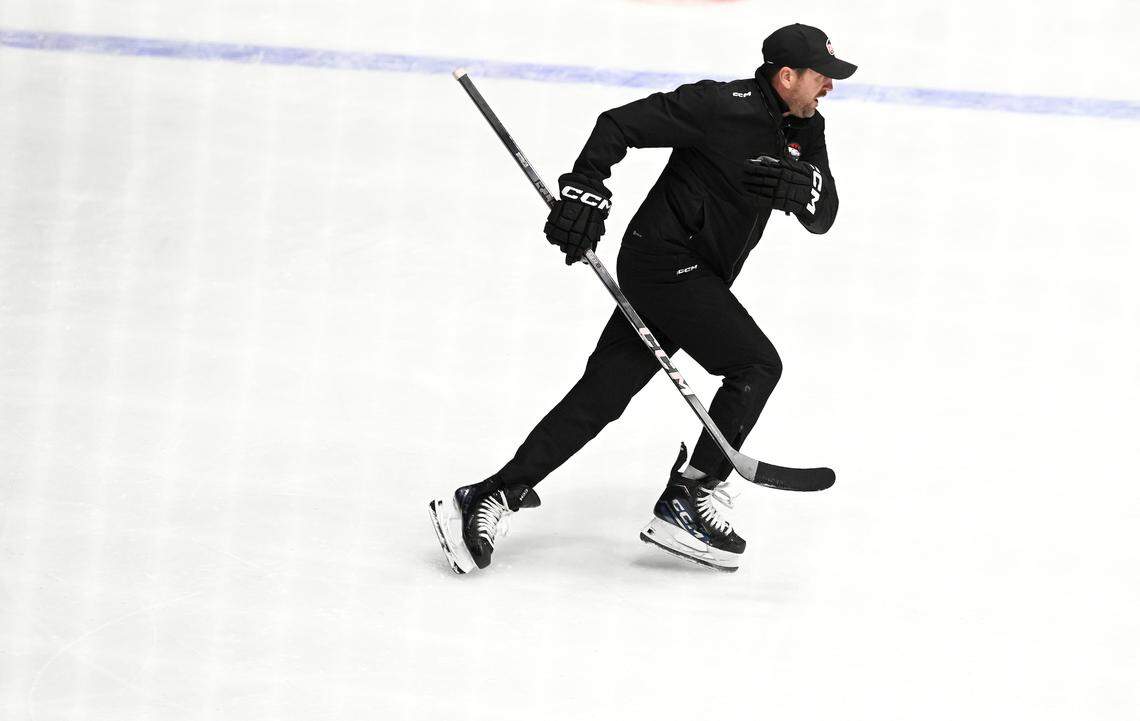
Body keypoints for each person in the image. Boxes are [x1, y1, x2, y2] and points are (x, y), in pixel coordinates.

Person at [429, 23, 856, 573]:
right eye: (822, 77)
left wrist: (811, 191)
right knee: (755, 363)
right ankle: (690, 497)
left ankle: (486, 496)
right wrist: (586, 190)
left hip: (699, 275)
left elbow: (824, 217)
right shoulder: (717, 104)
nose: (829, 88)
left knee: (602, 396)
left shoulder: (806, 126)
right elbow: (618, 125)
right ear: (787, 75)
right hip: (663, 263)